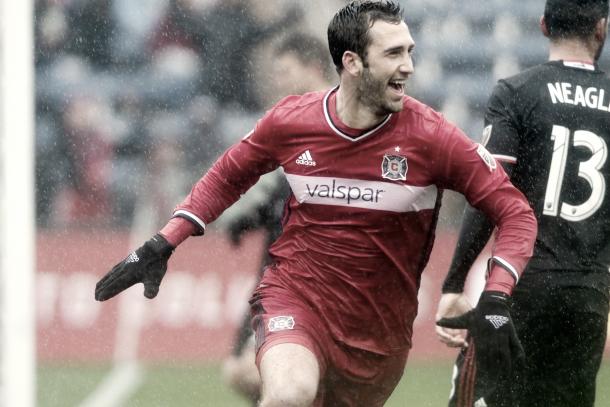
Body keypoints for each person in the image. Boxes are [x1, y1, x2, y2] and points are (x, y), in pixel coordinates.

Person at [95, 1, 537, 406]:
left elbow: (515, 212)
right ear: (352, 63)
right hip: (296, 297)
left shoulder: (432, 136)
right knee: (290, 394)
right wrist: (165, 241)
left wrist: (496, 296)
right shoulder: (292, 120)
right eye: (393, 54)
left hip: (378, 334)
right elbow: (228, 176)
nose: (408, 66)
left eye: (410, 51)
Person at [435, 1, 610, 406]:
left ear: (544, 25)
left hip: (522, 288)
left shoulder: (517, 92)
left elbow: (486, 192)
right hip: (587, 296)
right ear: (601, 29)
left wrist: (454, 282)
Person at [221, 31, 334, 405]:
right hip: (278, 268)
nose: (277, 80)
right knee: (247, 373)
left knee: (261, 374)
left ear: (312, 67)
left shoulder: (334, 119)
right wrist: (251, 216)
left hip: (310, 275)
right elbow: (283, 187)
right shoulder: (292, 119)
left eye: (285, 71)